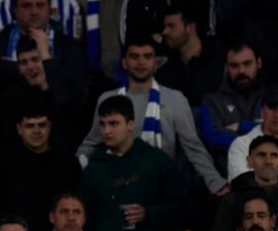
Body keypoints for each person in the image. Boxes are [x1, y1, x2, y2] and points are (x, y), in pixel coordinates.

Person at [76, 38, 225, 198]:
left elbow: (194, 147)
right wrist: (86, 174)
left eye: (147, 57)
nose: (141, 62)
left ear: (156, 63)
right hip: (116, 185)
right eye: (134, 57)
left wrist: (215, 182)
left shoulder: (175, 99)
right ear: (124, 62)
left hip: (161, 188)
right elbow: (89, 145)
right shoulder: (107, 99)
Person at [78, 95, 186, 231]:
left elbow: (182, 205)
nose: (107, 131)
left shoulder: (156, 161)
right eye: (102, 124)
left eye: (113, 123)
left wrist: (149, 213)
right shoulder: (94, 168)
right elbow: (88, 218)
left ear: (130, 124)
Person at [0, 101, 80, 231]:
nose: (36, 131)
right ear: (19, 129)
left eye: (41, 125)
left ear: (50, 127)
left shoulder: (67, 163)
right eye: (30, 126)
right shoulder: (3, 164)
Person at [198, 41, 263, 157]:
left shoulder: (270, 98)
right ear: (226, 68)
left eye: (247, 64)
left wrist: (241, 126)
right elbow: (212, 136)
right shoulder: (212, 101)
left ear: (259, 63)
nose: (241, 71)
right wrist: (260, 138)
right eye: (234, 66)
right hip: (227, 171)